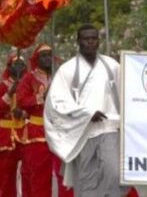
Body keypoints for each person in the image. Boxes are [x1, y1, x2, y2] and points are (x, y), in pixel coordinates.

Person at [44, 24, 122, 197]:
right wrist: (86, 114)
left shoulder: (112, 66)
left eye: (94, 38)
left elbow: (127, 90)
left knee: (114, 173)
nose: (90, 42)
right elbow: (57, 103)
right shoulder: (67, 70)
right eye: (86, 39)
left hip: (109, 128)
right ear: (78, 41)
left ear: (98, 41)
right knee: (86, 181)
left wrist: (136, 60)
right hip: (82, 133)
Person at [17, 44, 72, 197]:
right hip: (38, 132)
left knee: (66, 176)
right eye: (44, 55)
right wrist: (42, 96)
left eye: (50, 55)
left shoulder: (61, 77)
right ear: (37, 59)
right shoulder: (29, 78)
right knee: (40, 177)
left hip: (61, 132)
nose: (48, 58)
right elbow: (22, 101)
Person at [0, 54, 27, 197]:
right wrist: (11, 91)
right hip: (6, 135)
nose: (19, 67)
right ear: (9, 67)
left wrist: (23, 113)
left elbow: (36, 108)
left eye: (21, 65)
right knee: (5, 176)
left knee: (27, 174)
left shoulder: (29, 86)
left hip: (25, 134)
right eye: (15, 64)